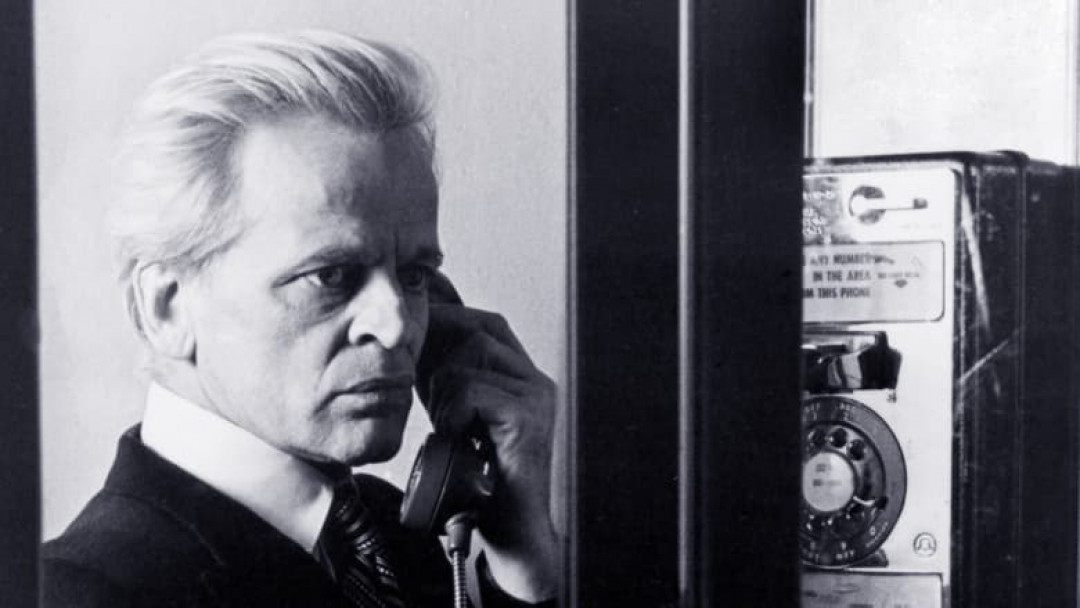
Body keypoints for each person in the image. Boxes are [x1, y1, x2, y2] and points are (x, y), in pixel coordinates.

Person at [42, 30, 559, 608]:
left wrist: (525, 564)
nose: (397, 328)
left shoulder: (396, 537)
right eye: (330, 276)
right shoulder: (78, 592)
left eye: (413, 275)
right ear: (166, 306)